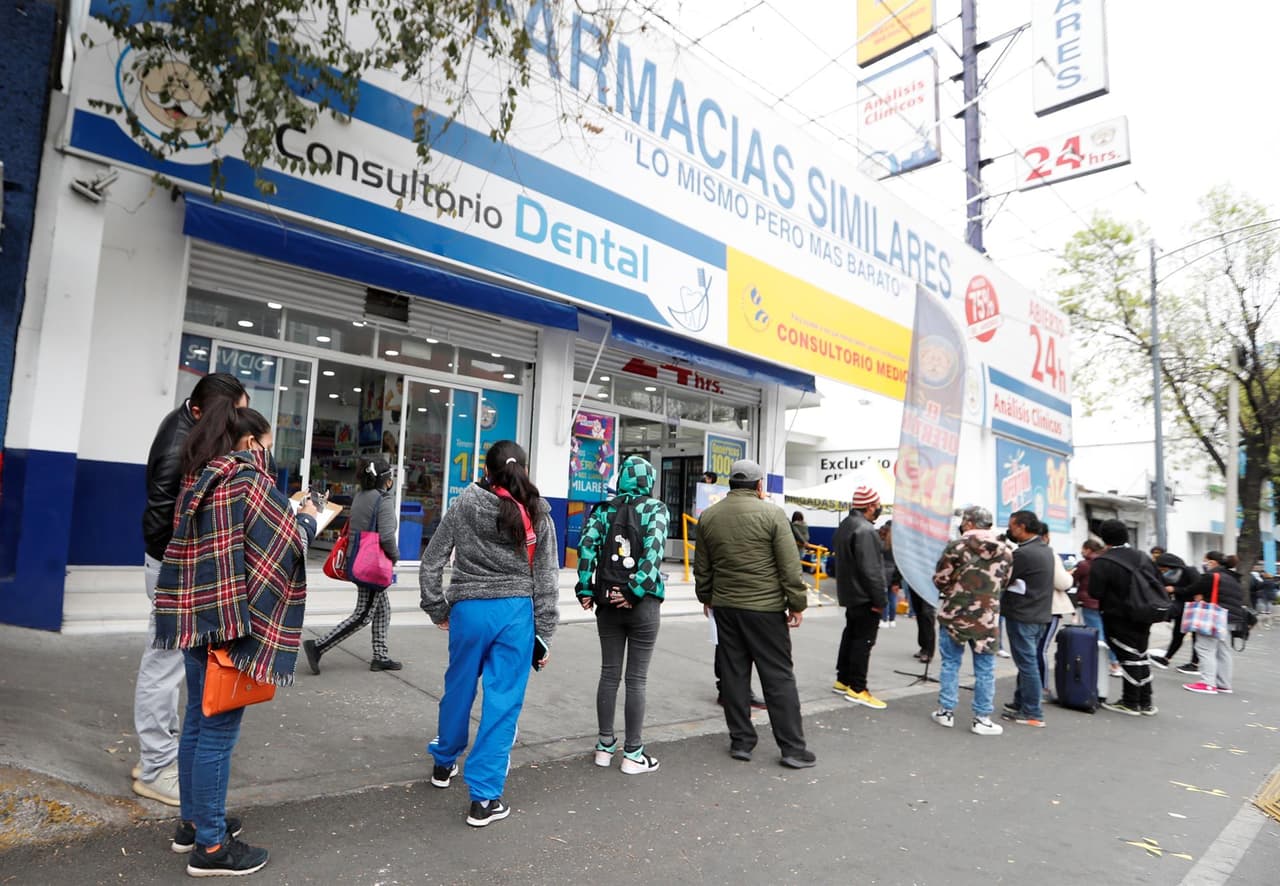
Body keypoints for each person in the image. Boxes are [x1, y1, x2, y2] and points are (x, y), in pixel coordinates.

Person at [155, 406, 318, 876]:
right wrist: (306, 519)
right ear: (250, 444)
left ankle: (192, 823)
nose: (268, 453)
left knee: (195, 722)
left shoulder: (201, 477)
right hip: (231, 627)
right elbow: (283, 545)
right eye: (266, 444)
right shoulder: (248, 481)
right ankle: (210, 847)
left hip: (196, 616)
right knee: (217, 736)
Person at [419, 441, 560, 827]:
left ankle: (444, 762)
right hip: (516, 614)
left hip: (467, 610)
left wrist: (436, 607)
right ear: (524, 469)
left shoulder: (465, 504)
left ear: (487, 470)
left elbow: (432, 559)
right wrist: (543, 633)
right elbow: (546, 579)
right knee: (503, 703)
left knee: (459, 687)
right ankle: (483, 799)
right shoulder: (539, 513)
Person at [134, 372, 248, 806]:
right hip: (169, 568)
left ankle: (158, 752)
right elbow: (158, 520)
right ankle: (156, 765)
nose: (235, 423)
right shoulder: (177, 443)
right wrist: (181, 569)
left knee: (171, 664)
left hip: (173, 567)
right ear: (200, 411)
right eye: (231, 414)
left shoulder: (194, 430)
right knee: (162, 665)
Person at [694, 459, 814, 769]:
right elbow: (790, 566)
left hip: (726, 609)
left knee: (734, 676)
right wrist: (797, 603)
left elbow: (702, 567)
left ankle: (742, 743)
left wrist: (706, 598)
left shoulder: (709, 516)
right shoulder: (773, 514)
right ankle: (792, 749)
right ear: (759, 486)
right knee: (778, 677)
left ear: (730, 484)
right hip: (766, 610)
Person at [575, 455, 668, 775]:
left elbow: (587, 549)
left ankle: (604, 747)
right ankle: (633, 753)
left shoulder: (602, 510)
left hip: (607, 603)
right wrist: (634, 592)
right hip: (642, 605)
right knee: (636, 679)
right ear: (649, 480)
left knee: (609, 673)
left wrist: (586, 589)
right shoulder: (656, 509)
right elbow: (653, 555)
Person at [303, 459, 401, 674]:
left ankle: (380, 656)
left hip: (357, 560)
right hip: (372, 565)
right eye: (390, 477)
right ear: (385, 480)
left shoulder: (361, 497)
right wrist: (395, 557)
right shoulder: (382, 500)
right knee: (363, 614)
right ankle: (318, 646)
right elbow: (386, 536)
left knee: (382, 609)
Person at [930, 506, 1013, 736]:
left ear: (968, 523)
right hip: (986, 618)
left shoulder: (956, 548)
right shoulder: (1006, 551)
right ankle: (982, 718)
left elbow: (940, 579)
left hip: (954, 614)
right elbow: (1004, 582)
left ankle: (946, 712)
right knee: (985, 668)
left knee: (950, 663)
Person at [1087, 520, 1163, 715]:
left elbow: (1095, 592)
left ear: (1104, 538)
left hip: (1117, 615)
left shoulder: (1103, 562)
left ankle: (1130, 702)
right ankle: (1146, 701)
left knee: (1128, 656)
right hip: (1144, 613)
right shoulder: (1142, 557)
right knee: (1141, 653)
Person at [832, 486, 888, 709]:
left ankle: (843, 679)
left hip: (850, 593)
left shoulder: (846, 525)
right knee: (863, 641)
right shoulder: (866, 530)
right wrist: (880, 600)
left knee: (851, 636)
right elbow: (871, 570)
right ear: (871, 506)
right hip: (865, 595)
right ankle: (857, 687)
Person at [1000, 510, 1055, 728]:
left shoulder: (1023, 554)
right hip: (1038, 613)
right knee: (1028, 661)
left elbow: (1004, 578)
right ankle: (1021, 702)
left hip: (1023, 615)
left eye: (1012, 526)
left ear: (1022, 527)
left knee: (1027, 664)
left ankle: (1032, 711)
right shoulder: (1045, 549)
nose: (1010, 530)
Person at [1182, 551, 1247, 695]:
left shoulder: (1212, 576)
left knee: (1205, 649)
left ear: (1212, 562)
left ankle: (1207, 683)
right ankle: (1224, 684)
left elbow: (1191, 589)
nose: (1204, 564)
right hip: (1230, 619)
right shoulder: (1233, 579)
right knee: (1223, 652)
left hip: (1214, 618)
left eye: (1205, 561)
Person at [1038, 524, 1077, 701]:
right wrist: (1069, 575)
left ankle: (1029, 687)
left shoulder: (1020, 552)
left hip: (1029, 608)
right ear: (1045, 536)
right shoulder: (1050, 555)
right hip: (1049, 608)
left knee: (1030, 649)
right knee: (1041, 649)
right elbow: (1063, 583)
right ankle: (1042, 688)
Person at [1073, 539, 1122, 677]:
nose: (1081, 552)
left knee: (1096, 635)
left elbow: (1074, 580)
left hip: (1089, 603)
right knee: (1107, 635)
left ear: (1088, 549)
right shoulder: (1108, 563)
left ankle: (1100, 665)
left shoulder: (1084, 564)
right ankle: (1115, 663)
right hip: (1106, 604)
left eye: (1083, 549)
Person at [1148, 552, 1199, 671]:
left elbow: (1197, 588)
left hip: (1194, 607)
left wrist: (1175, 589)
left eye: (1163, 567)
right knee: (1178, 634)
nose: (1162, 570)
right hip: (1181, 607)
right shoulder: (1166, 575)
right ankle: (1166, 659)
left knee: (1196, 636)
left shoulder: (1189, 571)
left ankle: (1194, 664)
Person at [878, 520, 899, 628]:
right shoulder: (897, 543)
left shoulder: (881, 542)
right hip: (894, 570)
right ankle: (892, 619)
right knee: (893, 597)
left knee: (884, 597)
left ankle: (884, 619)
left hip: (883, 570)